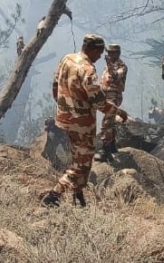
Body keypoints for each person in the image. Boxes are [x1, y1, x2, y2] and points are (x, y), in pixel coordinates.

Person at [41, 34, 128, 208]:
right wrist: (119, 112)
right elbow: (99, 102)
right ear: (94, 49)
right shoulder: (88, 69)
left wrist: (64, 107)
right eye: (100, 53)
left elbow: (55, 85)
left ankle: (78, 197)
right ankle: (53, 195)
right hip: (82, 124)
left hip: (65, 119)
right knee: (83, 164)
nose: (100, 57)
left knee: (77, 157)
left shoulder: (68, 58)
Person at [95, 43, 128, 161]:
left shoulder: (121, 66)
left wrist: (109, 65)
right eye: (109, 52)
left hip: (114, 96)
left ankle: (105, 150)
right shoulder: (107, 67)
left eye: (113, 52)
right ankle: (112, 145)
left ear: (118, 53)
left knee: (107, 121)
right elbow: (103, 81)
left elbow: (115, 77)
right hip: (104, 96)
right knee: (111, 120)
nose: (110, 55)